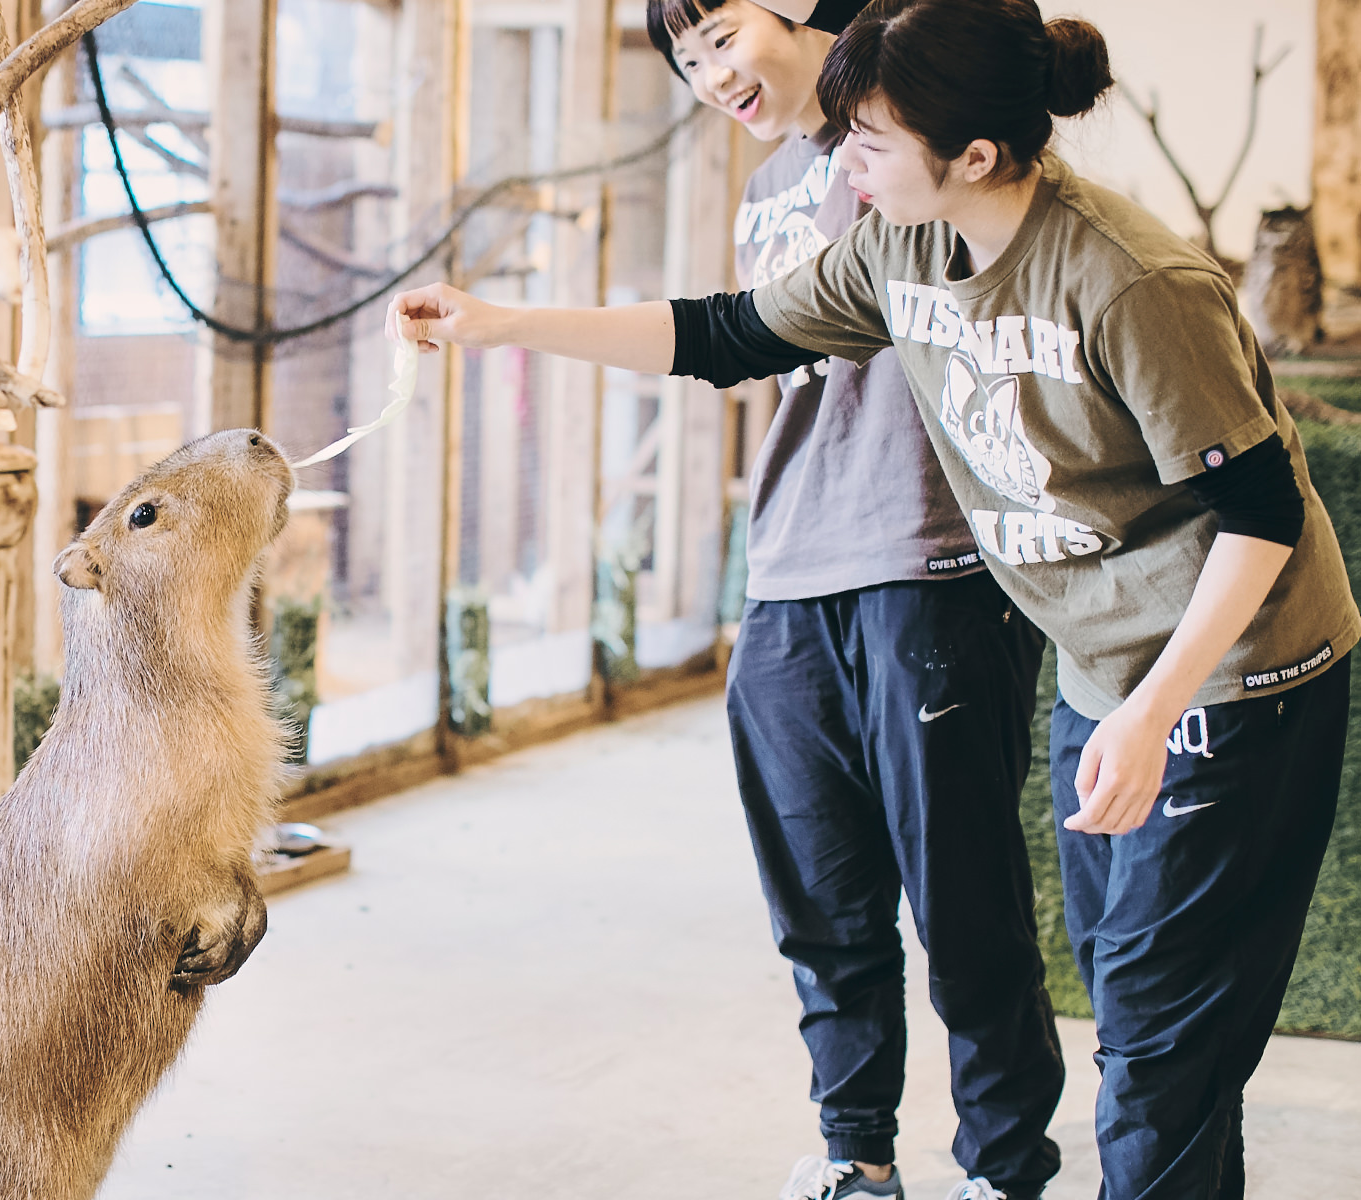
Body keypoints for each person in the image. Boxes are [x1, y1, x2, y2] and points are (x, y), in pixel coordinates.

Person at [394, 2, 1360, 1197]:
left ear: (972, 157)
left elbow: (1260, 515)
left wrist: (1153, 710)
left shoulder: (1129, 281)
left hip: (1236, 677)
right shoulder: (899, 246)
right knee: (1145, 1032)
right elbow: (730, 332)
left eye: (865, 142)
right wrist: (504, 325)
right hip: (1107, 673)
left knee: (1158, 1059)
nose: (837, 160)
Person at [641, 4, 1064, 1198]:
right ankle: (853, 1158)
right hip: (783, 573)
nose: (709, 73)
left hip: (926, 560)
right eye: (685, 60)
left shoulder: (908, 136)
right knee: (819, 904)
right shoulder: (764, 186)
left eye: (719, 33)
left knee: (963, 903)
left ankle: (1001, 1167)